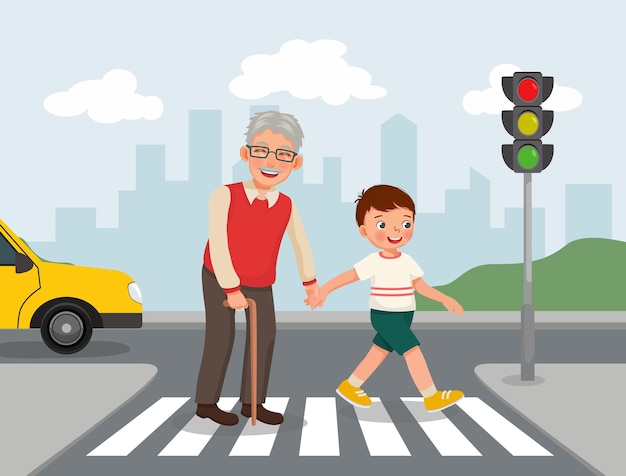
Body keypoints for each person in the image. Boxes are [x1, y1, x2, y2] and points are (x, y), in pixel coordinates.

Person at [195, 111, 319, 425]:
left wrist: (310, 284)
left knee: (265, 337)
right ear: (246, 154)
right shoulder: (224, 195)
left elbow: (301, 245)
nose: (271, 162)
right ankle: (207, 403)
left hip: (261, 280)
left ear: (296, 163)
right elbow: (219, 244)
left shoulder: (288, 204)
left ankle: (252, 402)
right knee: (221, 337)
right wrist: (231, 288)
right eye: (261, 151)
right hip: (219, 276)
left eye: (283, 154)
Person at [306, 184, 464, 412]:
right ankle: (431, 396)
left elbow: (421, 286)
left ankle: (351, 385)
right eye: (382, 224)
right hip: (384, 315)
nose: (397, 231)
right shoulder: (373, 261)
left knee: (378, 352)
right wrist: (325, 290)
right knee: (413, 350)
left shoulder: (408, 261)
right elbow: (349, 276)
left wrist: (444, 299)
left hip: (404, 315)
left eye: (406, 223)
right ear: (364, 231)